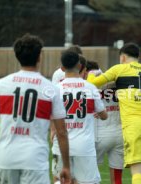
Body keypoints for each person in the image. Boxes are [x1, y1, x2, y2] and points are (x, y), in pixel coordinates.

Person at [87, 43, 141, 184]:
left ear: (123, 57)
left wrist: (90, 75)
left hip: (133, 126)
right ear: (139, 57)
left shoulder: (119, 69)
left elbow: (92, 84)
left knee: (137, 171)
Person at [0, 33, 71, 184]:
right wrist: (66, 166)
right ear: (39, 57)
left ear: (17, 56)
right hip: (34, 159)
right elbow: (61, 132)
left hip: (6, 157)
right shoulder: (50, 89)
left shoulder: (2, 85)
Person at [52, 50, 108, 184]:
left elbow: (50, 116)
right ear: (79, 65)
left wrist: (52, 131)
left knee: (60, 180)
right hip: (84, 145)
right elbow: (104, 115)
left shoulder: (55, 89)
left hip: (60, 144)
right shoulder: (90, 88)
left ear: (62, 68)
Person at [87, 61, 124, 184]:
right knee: (117, 178)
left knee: (89, 175)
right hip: (119, 133)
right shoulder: (116, 81)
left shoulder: (90, 85)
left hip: (100, 134)